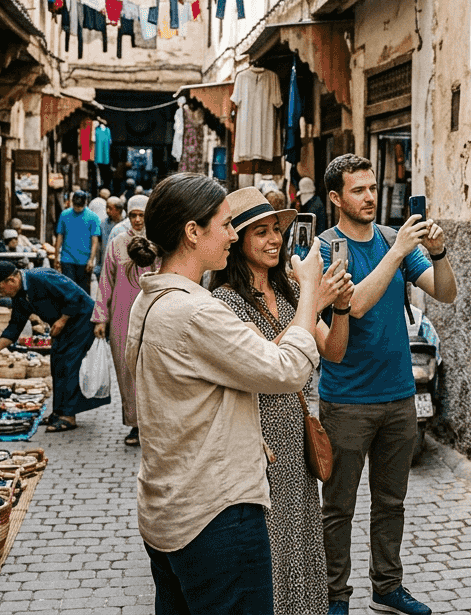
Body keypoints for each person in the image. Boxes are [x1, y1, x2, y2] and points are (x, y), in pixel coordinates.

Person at [122, 173, 329, 614]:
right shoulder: (196, 310)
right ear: (193, 232)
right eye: (224, 223)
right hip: (214, 516)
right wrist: (310, 288)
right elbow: (287, 369)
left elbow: (191, 401)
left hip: (168, 508)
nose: (233, 234)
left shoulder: (150, 301)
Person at [316, 154, 457, 615]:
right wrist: (396, 253)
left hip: (399, 395)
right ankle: (336, 596)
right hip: (347, 400)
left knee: (390, 503)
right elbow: (353, 305)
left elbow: (446, 291)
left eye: (373, 188)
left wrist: (436, 251)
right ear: (336, 197)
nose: (371, 197)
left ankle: (387, 588)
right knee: (338, 508)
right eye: (359, 190)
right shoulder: (324, 249)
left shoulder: (392, 239)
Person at [210, 187, 355, 615]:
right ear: (238, 241)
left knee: (302, 537)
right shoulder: (225, 302)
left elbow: (334, 352)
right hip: (257, 440)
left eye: (276, 230)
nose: (274, 240)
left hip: (294, 432)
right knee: (269, 545)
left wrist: (340, 308)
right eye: (260, 232)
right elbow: (269, 365)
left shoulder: (292, 290)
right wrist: (315, 301)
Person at [0, 261, 108, 432]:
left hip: (81, 319)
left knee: (69, 364)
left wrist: (63, 320)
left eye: (0, 288)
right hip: (62, 326)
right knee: (57, 362)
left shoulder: (41, 277)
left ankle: (68, 416)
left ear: (11, 280)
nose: (0, 293)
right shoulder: (19, 297)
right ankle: (58, 412)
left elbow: (74, 295)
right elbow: (15, 326)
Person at [92, 194, 153, 446]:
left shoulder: (158, 243)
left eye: (141, 215)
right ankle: (135, 425)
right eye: (133, 215)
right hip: (121, 316)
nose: (137, 220)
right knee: (126, 371)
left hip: (152, 314)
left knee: (152, 370)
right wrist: (100, 319)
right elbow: (105, 280)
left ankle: (153, 425)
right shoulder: (117, 244)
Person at [55, 189, 102, 294]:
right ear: (72, 202)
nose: (77, 208)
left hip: (84, 260)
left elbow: (95, 241)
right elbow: (60, 236)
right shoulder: (64, 214)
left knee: (83, 290)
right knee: (68, 288)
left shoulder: (93, 217)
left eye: (80, 205)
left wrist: (91, 259)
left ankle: (83, 310)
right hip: (67, 258)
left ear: (85, 203)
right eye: (76, 205)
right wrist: (56, 256)